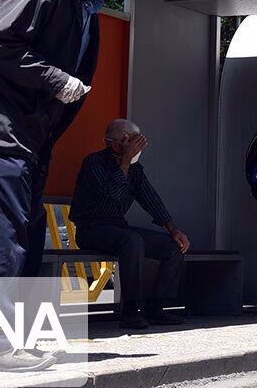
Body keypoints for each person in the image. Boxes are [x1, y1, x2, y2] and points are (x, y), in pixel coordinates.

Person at [0, 0, 135, 372]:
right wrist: (56, 79)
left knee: (28, 241)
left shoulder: (86, 12)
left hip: (33, 142)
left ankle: (16, 341)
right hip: (5, 135)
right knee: (5, 241)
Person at [69, 119, 190, 329]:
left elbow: (150, 198)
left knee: (173, 247)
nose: (138, 148)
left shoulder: (135, 170)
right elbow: (115, 193)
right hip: (91, 229)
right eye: (133, 143)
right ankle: (130, 311)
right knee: (132, 241)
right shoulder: (94, 163)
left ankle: (155, 307)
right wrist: (125, 160)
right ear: (115, 145)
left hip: (118, 228)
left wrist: (172, 229)